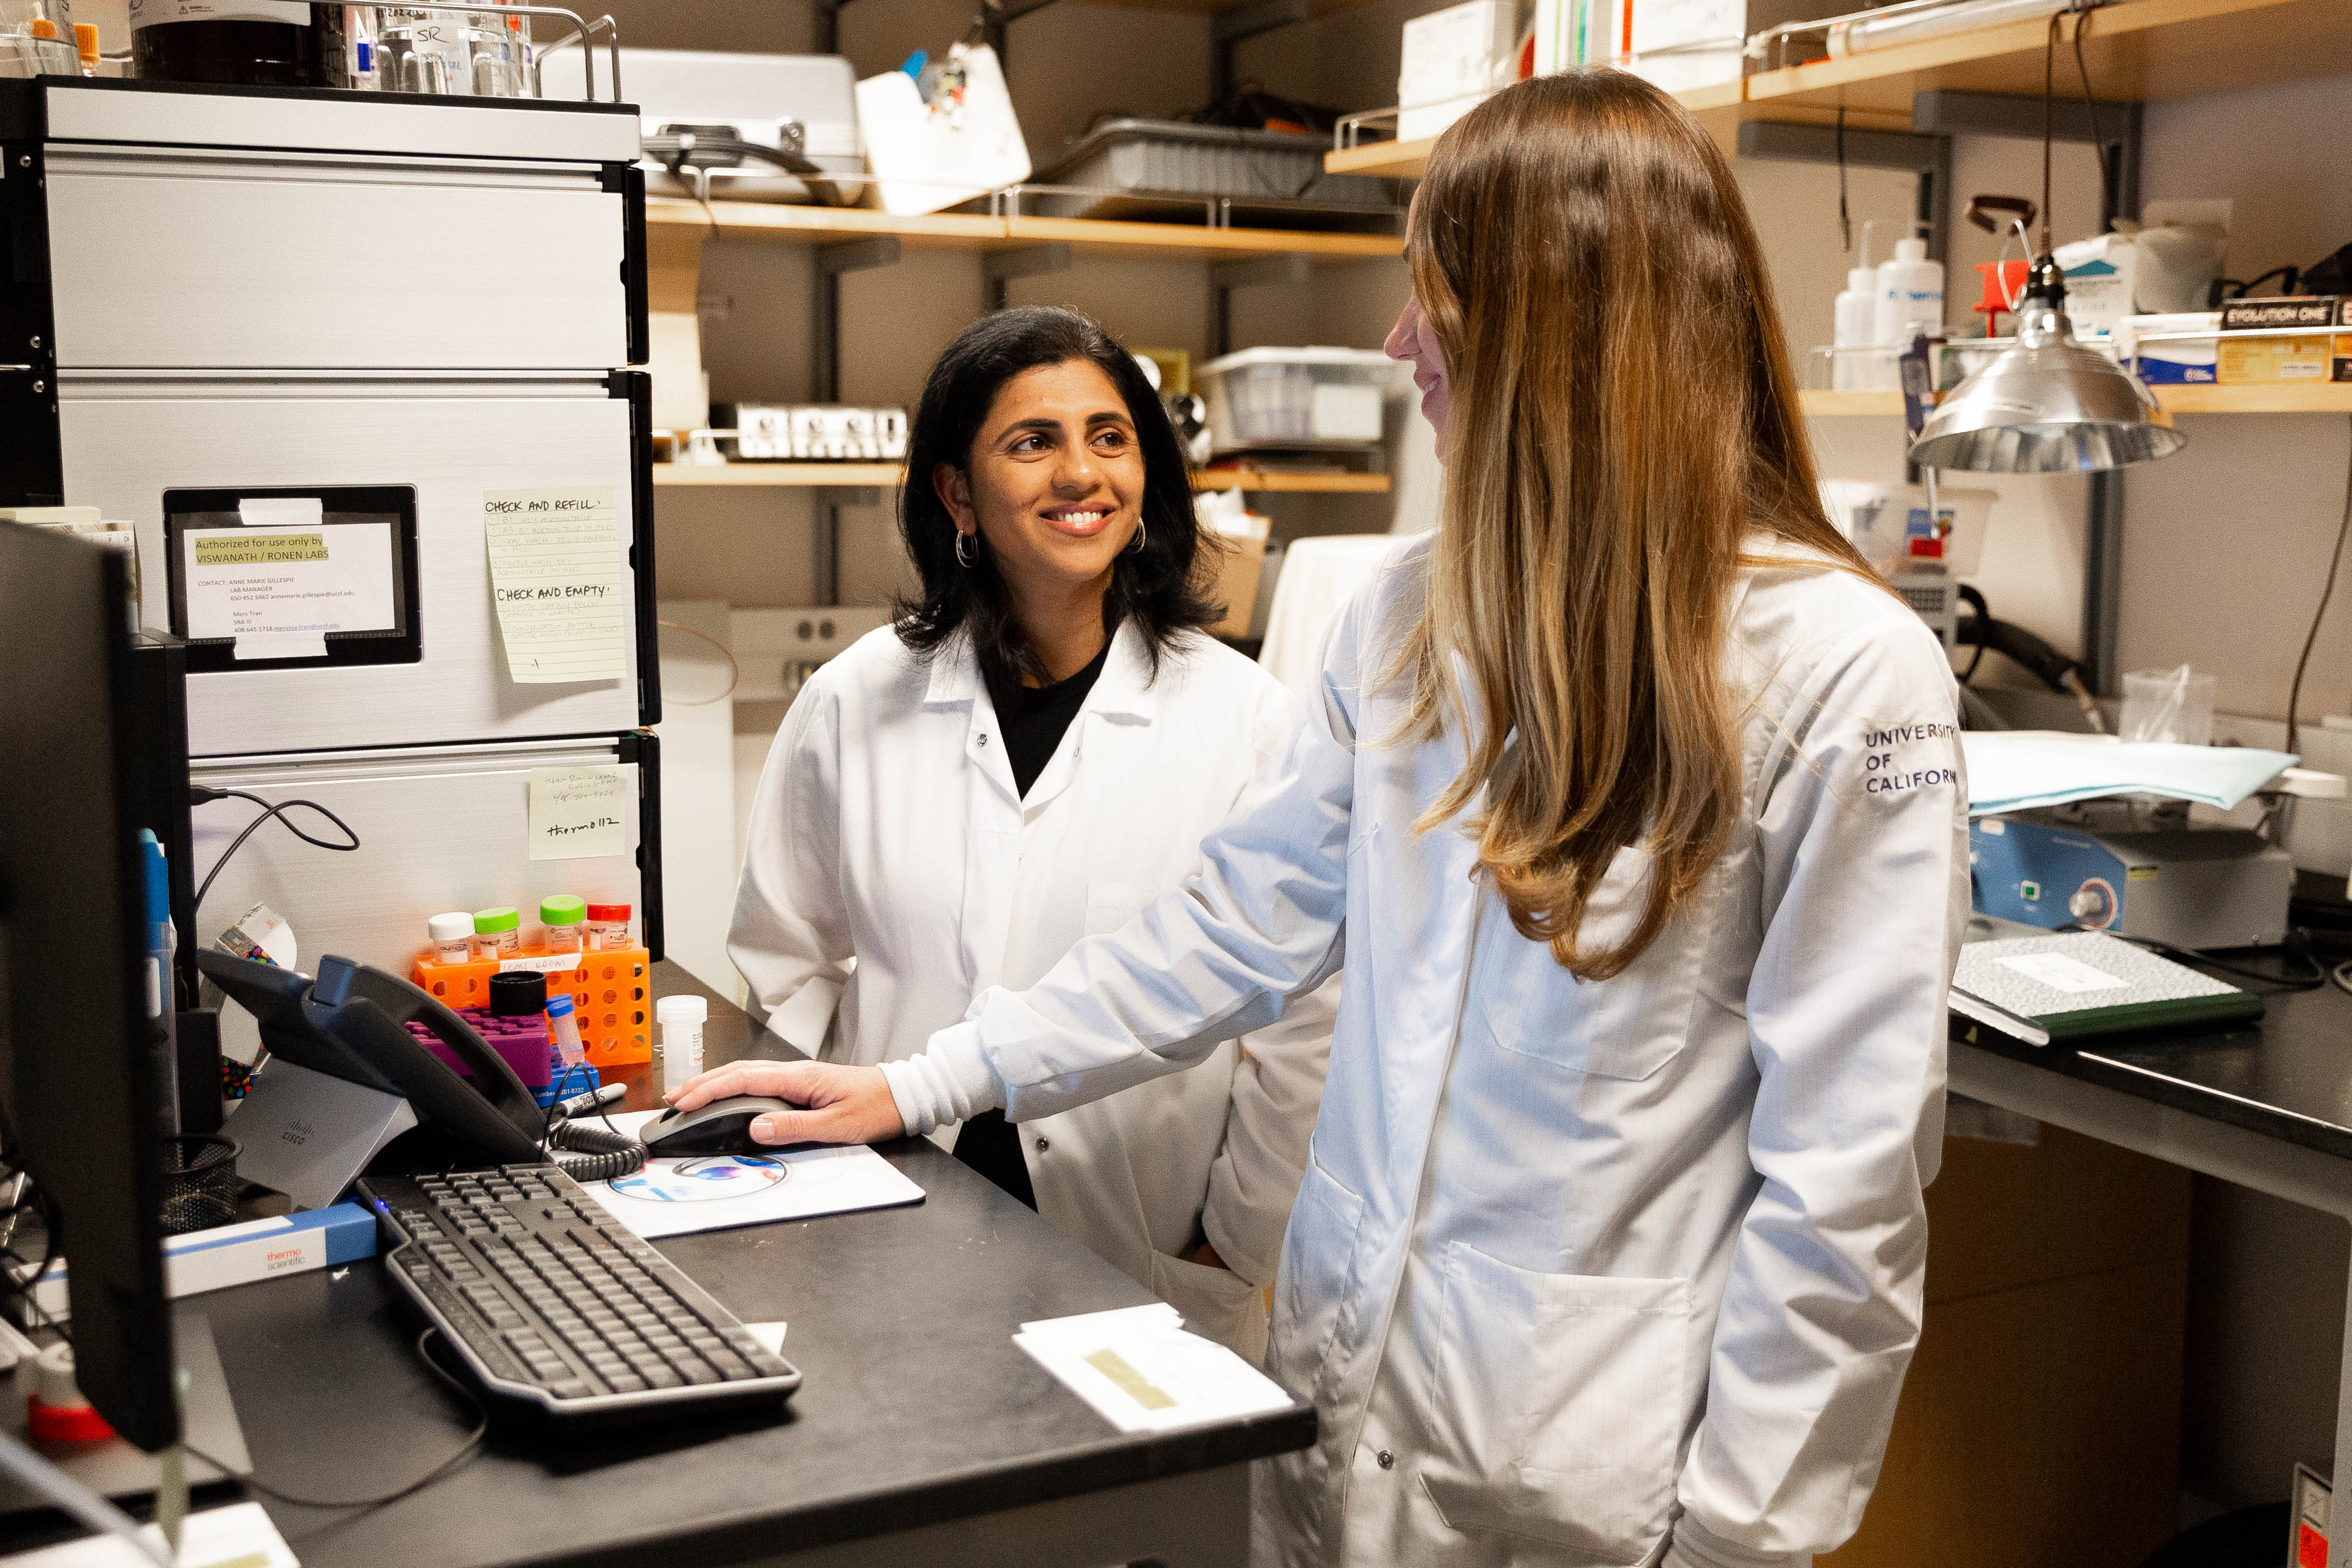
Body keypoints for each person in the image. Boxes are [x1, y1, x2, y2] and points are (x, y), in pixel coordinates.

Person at [678, 73, 1967, 1567]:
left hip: (1604, 1477)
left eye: (1430, 297)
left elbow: (1848, 1182)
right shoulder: (1414, 613)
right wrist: (926, 1081)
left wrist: (1748, 1542)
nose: (1397, 342)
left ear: (1551, 327)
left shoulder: (1841, 670)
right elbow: (1235, 927)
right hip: (1345, 1409)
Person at [720, 305, 1333, 1359]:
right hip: (895, 1204)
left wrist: (1235, 1240)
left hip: (1144, 1236)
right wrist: (815, 1161)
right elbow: (784, 957)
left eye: (1110, 437)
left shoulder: (1245, 718)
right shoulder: (856, 697)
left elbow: (1301, 1023)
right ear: (957, 489)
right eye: (1032, 442)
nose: (1081, 473)